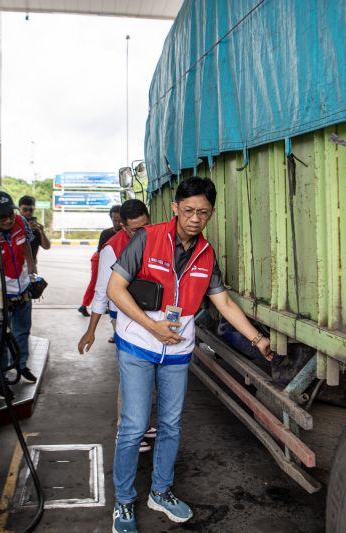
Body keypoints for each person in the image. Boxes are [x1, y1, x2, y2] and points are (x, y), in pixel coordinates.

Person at [106, 177, 272, 533]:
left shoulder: (206, 253)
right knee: (134, 425)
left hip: (177, 351)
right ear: (175, 208)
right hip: (138, 344)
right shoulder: (146, 239)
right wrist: (152, 328)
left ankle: (160, 492)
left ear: (211, 214)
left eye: (204, 213)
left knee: (171, 425)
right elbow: (115, 290)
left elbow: (222, 301)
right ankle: (123, 499)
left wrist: (257, 338)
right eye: (190, 210)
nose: (196, 218)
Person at [77, 199, 155, 452]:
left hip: (151, 315)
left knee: (150, 372)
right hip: (124, 318)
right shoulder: (111, 248)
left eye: (145, 226)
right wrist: (91, 331)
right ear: (122, 226)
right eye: (134, 229)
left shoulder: (155, 237)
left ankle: (140, 424)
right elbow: (101, 292)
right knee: (131, 375)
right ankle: (126, 428)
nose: (140, 233)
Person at [0, 190, 38, 384]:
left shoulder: (21, 223)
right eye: (2, 217)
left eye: (11, 214)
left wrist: (31, 267)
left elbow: (27, 244)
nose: (9, 220)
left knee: (22, 330)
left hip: (22, 289)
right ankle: (0, 376)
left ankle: (21, 365)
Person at [79, 205, 122, 317]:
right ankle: (84, 305)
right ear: (111, 218)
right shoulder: (106, 233)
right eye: (114, 220)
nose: (117, 223)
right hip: (99, 260)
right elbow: (100, 253)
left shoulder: (126, 233)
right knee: (96, 283)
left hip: (117, 262)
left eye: (119, 220)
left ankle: (107, 306)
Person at [18, 195, 50, 263]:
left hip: (32, 266)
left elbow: (46, 247)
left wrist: (42, 232)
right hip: (17, 266)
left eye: (31, 210)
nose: (28, 212)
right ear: (19, 209)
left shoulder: (36, 228)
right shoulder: (14, 225)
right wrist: (26, 230)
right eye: (25, 209)